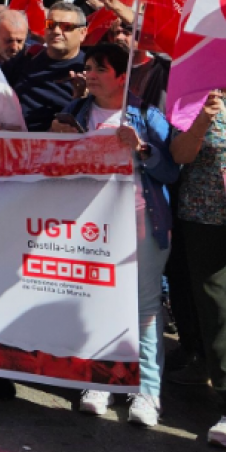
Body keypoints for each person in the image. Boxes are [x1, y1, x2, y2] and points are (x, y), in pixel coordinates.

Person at [52, 44, 178, 427]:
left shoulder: (147, 114)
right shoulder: (75, 111)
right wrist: (57, 140)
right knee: (96, 301)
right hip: (90, 226)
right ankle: (100, 381)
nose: (89, 74)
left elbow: (171, 172)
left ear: (122, 76)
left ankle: (147, 392)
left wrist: (142, 149)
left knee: (144, 307)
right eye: (88, 67)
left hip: (141, 221)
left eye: (99, 69)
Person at [170, 89, 226, 448]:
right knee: (217, 307)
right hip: (207, 217)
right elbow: (179, 155)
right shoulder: (198, 98)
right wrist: (202, 121)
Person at [2, 2, 88, 132]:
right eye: (51, 25)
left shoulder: (90, 69)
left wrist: (81, 98)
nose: (56, 31)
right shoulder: (26, 58)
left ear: (82, 33)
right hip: (17, 139)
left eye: (66, 27)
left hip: (61, 141)